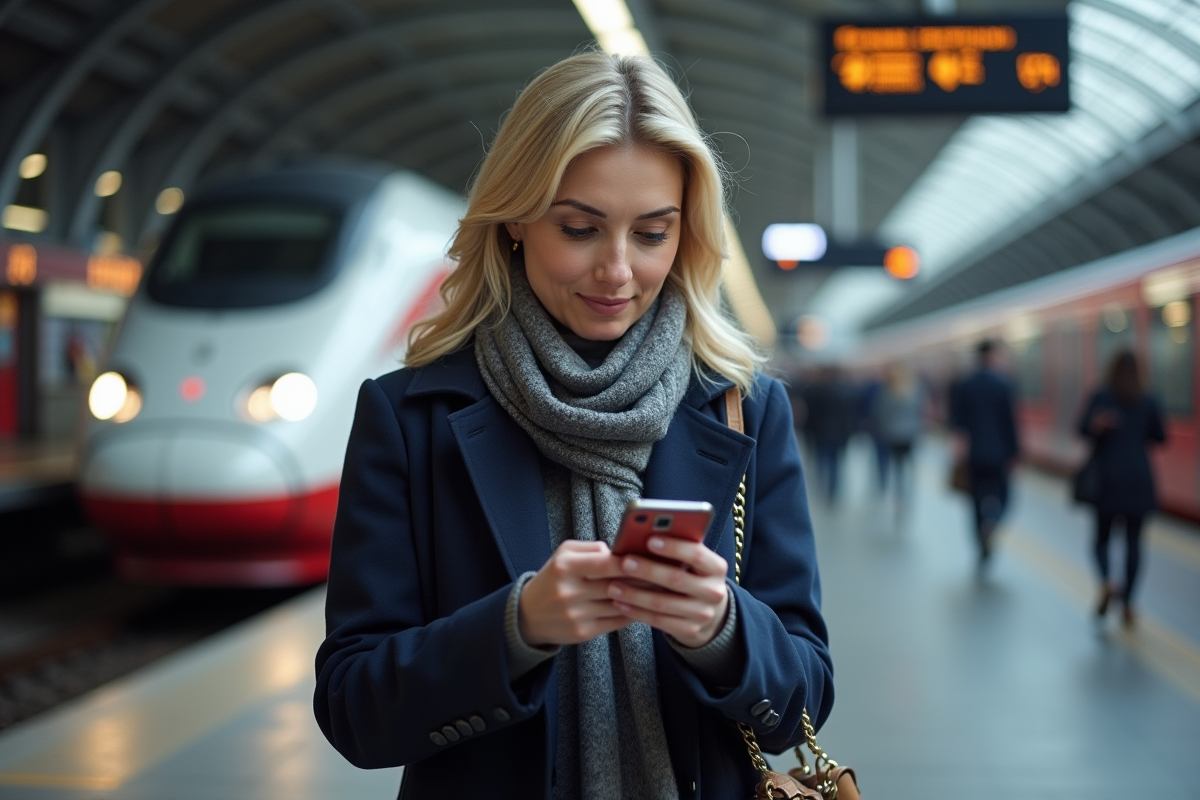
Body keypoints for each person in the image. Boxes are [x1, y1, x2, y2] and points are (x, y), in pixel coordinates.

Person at [313, 52, 833, 800]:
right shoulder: (411, 417)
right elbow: (353, 709)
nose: (617, 270)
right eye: (581, 229)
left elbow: (803, 701)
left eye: (652, 234)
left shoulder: (745, 410)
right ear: (517, 219)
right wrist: (516, 626)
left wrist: (722, 628)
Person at [1077, 350, 1166, 626]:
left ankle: (1106, 582)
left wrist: (1098, 427)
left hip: (1107, 479)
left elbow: (1081, 430)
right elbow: (1160, 437)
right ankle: (1129, 602)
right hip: (1140, 479)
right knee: (1134, 543)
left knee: (1101, 539)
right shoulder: (1149, 399)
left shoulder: (1101, 397)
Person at [949, 340, 1019, 565]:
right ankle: (993, 523)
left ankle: (980, 540)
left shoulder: (965, 385)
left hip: (974, 454)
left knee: (975, 500)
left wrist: (959, 452)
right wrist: (1014, 453)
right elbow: (1010, 423)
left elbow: (957, 423)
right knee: (1006, 498)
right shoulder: (1003, 385)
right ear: (992, 356)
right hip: (999, 453)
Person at [871, 363, 924, 511]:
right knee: (909, 464)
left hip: (893, 435)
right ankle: (908, 493)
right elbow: (919, 412)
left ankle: (898, 494)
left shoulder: (887, 392)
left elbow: (881, 413)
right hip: (910, 434)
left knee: (896, 466)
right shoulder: (914, 391)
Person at [801, 365, 857, 504]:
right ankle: (833, 490)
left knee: (822, 459)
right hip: (839, 433)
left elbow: (811, 414)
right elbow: (850, 415)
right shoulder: (846, 392)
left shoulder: (818, 391)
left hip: (821, 432)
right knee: (836, 463)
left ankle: (822, 484)